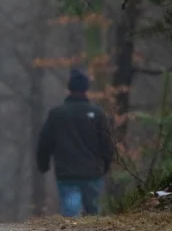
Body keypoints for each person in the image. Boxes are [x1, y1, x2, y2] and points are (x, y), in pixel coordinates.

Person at [36, 69, 114, 217]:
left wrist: (43, 164)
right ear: (86, 89)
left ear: (69, 89)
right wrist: (106, 164)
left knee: (70, 212)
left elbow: (44, 142)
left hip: (67, 172)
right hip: (93, 172)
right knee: (93, 213)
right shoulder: (97, 114)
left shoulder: (57, 114)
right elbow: (107, 143)